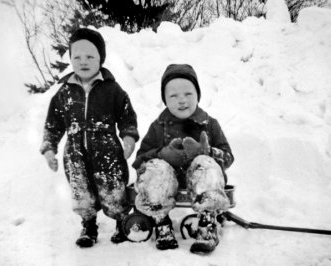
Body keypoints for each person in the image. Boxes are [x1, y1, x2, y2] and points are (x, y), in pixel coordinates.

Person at [40, 28, 139, 248]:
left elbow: (126, 115)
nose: (83, 62)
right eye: (77, 57)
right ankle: (88, 224)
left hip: (107, 152)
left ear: (100, 59)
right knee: (80, 190)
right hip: (75, 155)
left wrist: (129, 137)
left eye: (90, 56)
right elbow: (53, 123)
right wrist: (49, 148)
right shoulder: (64, 93)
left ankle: (121, 221)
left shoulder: (112, 89)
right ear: (71, 59)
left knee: (114, 188)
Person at [132, 64, 234, 253]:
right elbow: (140, 160)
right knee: (155, 166)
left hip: (200, 182)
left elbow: (228, 157)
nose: (182, 100)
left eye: (188, 94)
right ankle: (162, 222)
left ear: (197, 95)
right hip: (167, 183)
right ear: (165, 100)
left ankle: (207, 225)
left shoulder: (209, 124)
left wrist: (207, 151)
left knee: (206, 163)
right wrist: (161, 154)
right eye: (173, 95)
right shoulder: (158, 126)